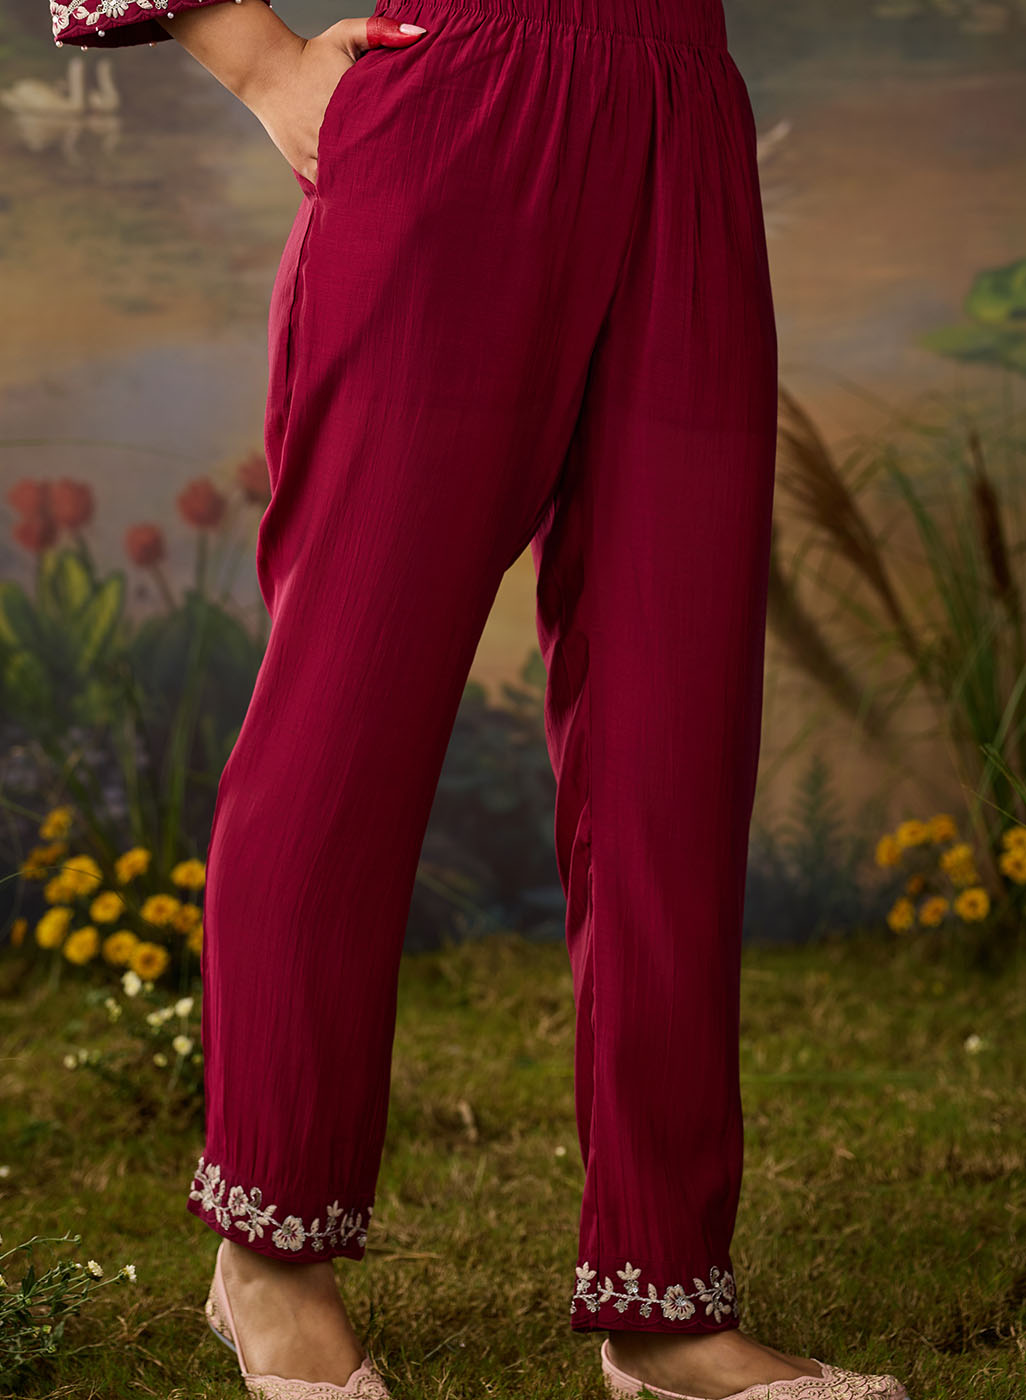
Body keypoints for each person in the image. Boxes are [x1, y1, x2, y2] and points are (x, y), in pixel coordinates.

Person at [47, 1, 910, 1397]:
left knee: (674, 740)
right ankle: (269, 1258)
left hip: (686, 121)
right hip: (466, 117)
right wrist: (259, 65)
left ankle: (665, 1298)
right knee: (345, 720)